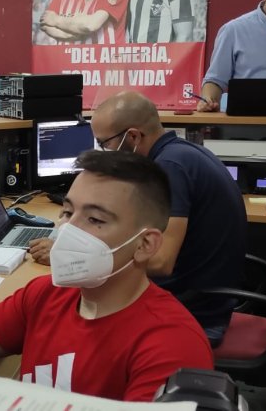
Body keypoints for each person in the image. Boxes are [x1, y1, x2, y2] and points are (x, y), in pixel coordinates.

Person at [0, 150, 213, 402]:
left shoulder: (171, 345)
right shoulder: (47, 295)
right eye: (68, 211)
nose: (68, 230)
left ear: (144, 244)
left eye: (95, 220)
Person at [31, 91, 245, 345]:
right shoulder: (180, 153)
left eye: (104, 143)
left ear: (133, 137)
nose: (103, 152)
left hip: (195, 310)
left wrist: (72, 255)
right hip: (203, 293)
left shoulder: (170, 167)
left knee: (61, 317)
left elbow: (161, 261)